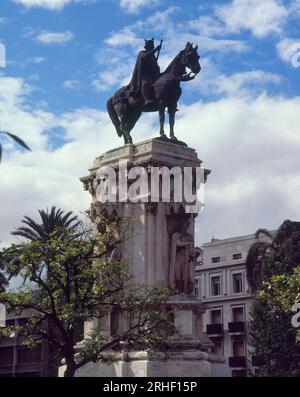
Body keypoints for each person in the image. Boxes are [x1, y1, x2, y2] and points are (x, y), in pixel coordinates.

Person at [128, 38, 162, 105]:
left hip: (154, 75)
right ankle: (146, 99)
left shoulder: (153, 56)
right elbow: (145, 57)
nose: (152, 47)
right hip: (144, 75)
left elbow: (155, 65)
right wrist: (155, 50)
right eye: (151, 46)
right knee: (146, 84)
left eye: (153, 46)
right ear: (147, 47)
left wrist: (157, 69)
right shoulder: (142, 52)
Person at [169, 219, 195, 295]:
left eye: (186, 226)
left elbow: (192, 248)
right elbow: (178, 244)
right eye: (183, 225)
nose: (185, 227)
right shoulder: (176, 235)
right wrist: (188, 243)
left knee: (186, 274)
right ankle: (178, 289)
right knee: (178, 273)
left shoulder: (189, 236)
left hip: (186, 257)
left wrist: (191, 253)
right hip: (178, 257)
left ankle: (185, 290)